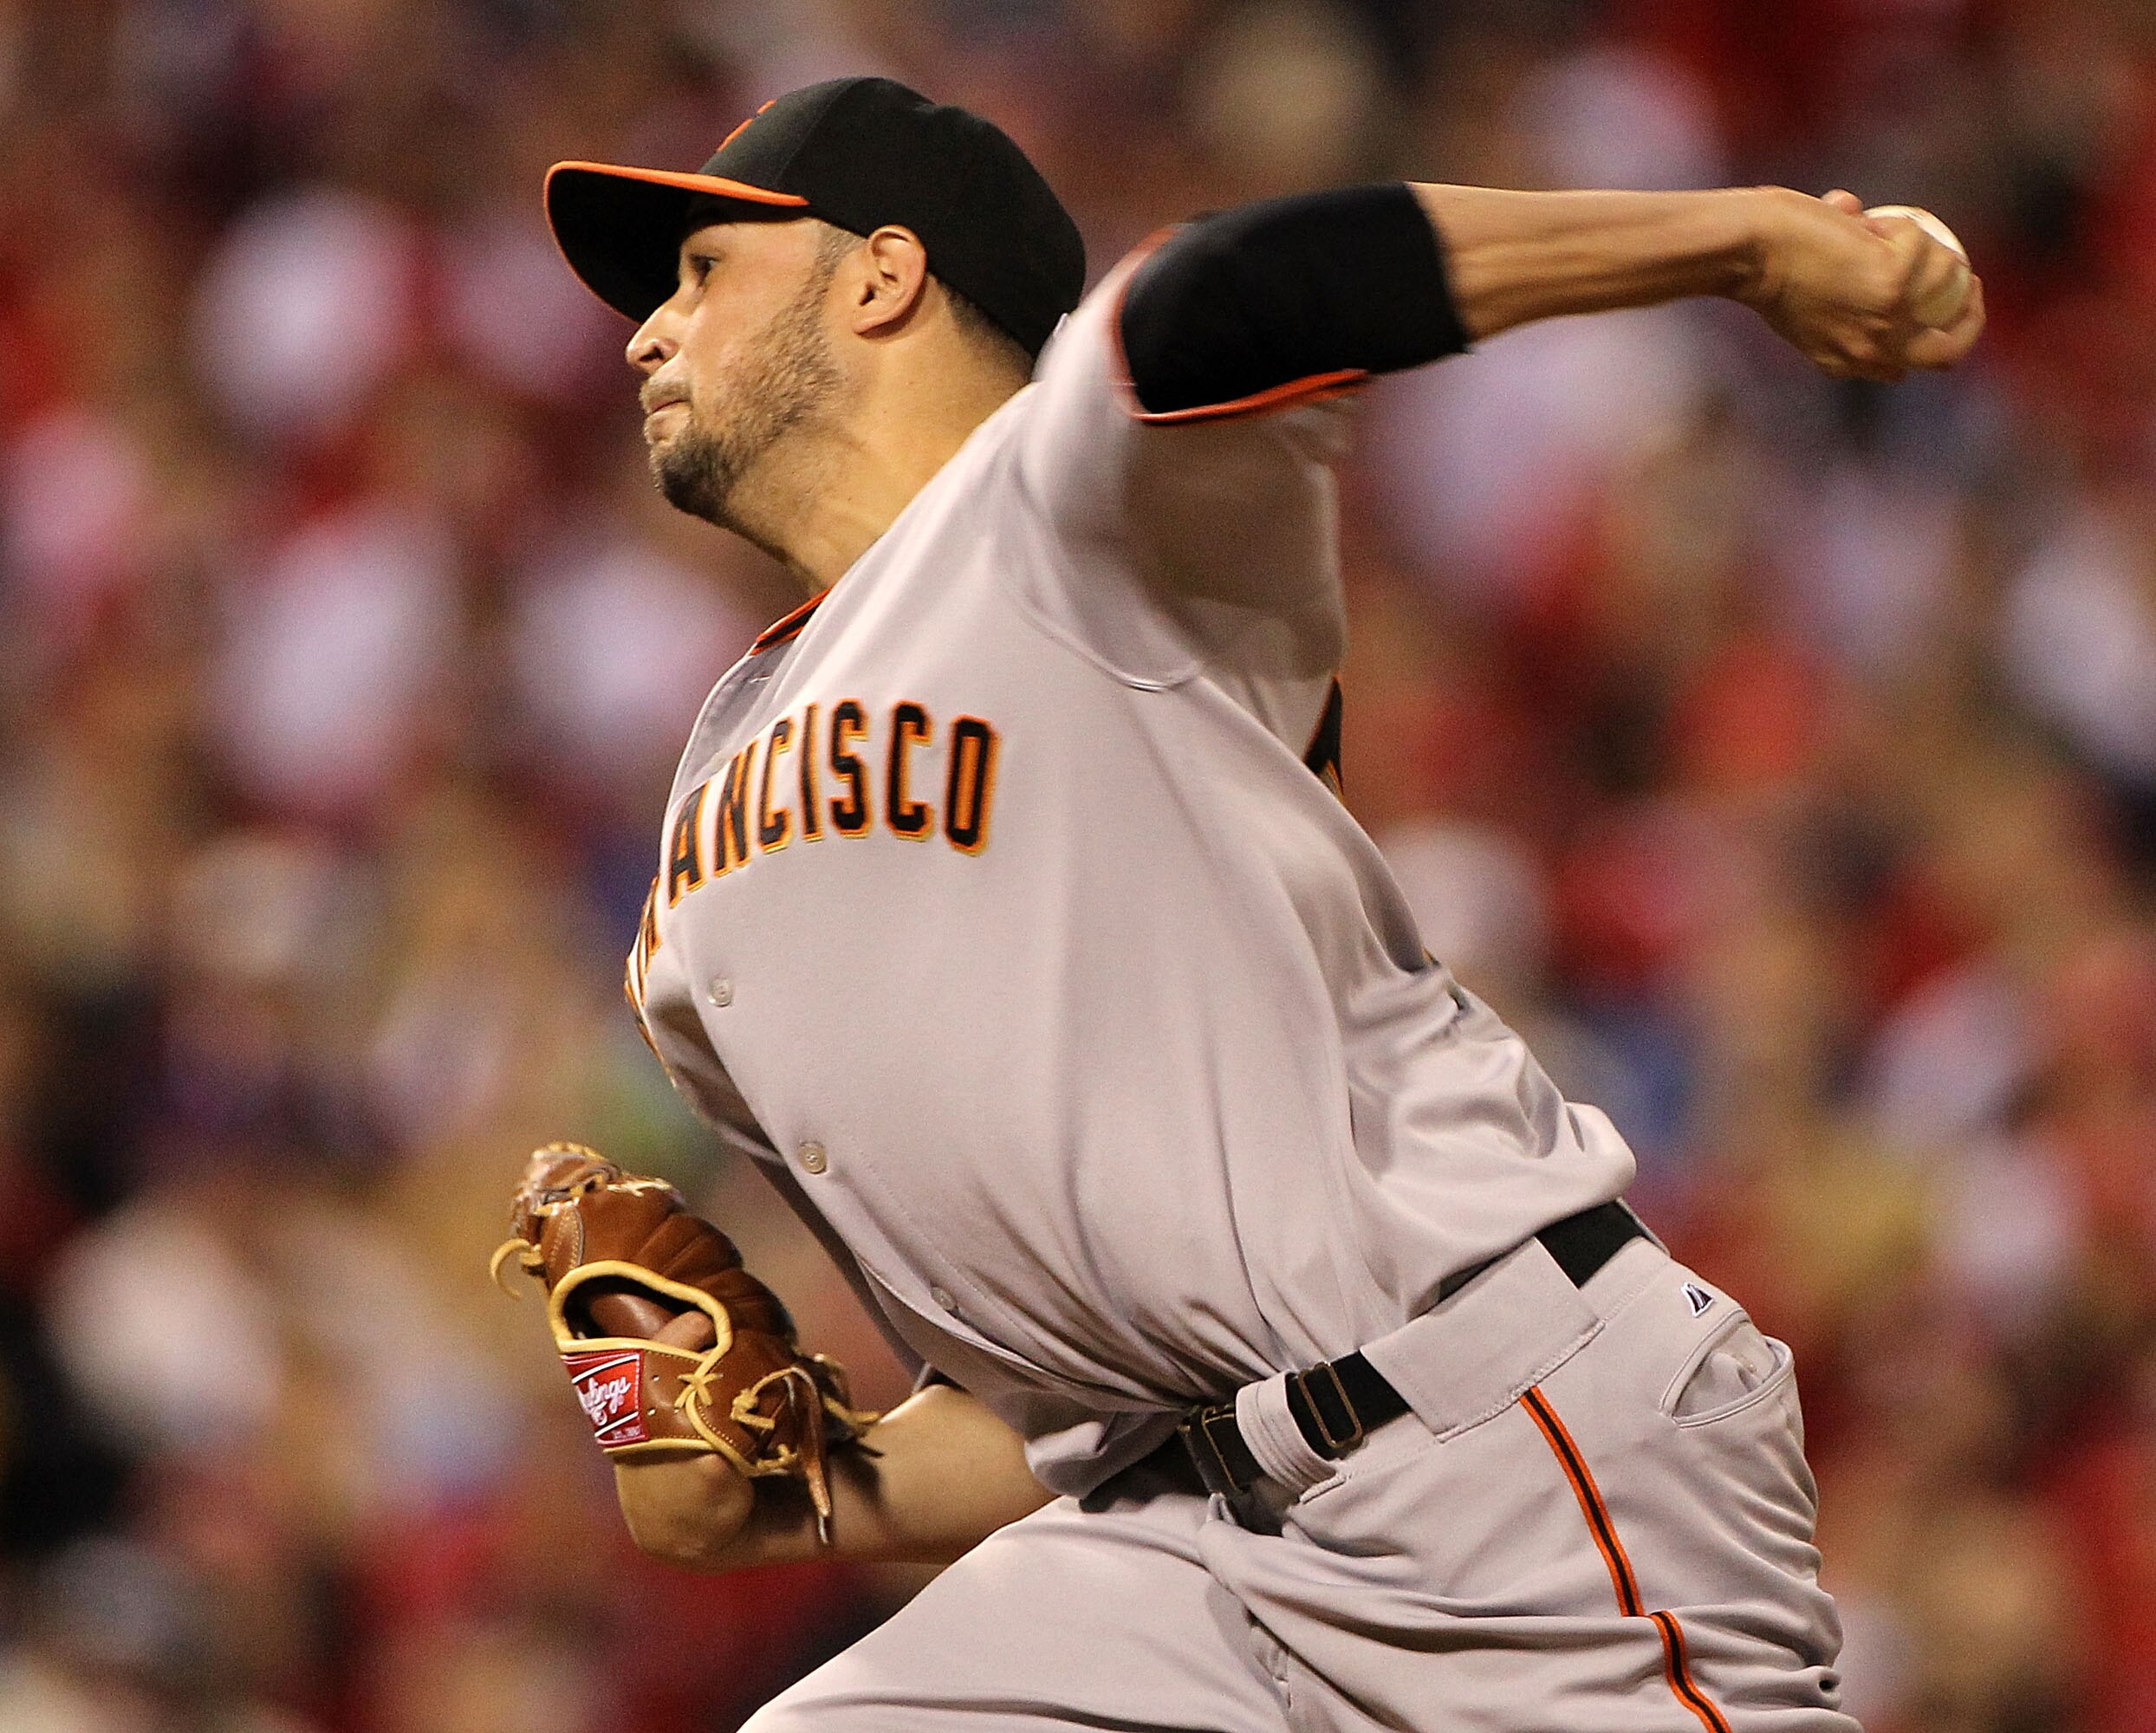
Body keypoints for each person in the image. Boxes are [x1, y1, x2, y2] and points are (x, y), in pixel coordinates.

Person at [537, 75, 1981, 1731]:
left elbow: (1230, 290)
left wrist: (1751, 239)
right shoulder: (693, 890)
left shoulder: (1071, 505)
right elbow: (1044, 1417)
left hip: (1491, 1440)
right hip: (1173, 1540)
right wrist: (774, 1487)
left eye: (702, 271)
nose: (649, 332)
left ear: (881, 276)